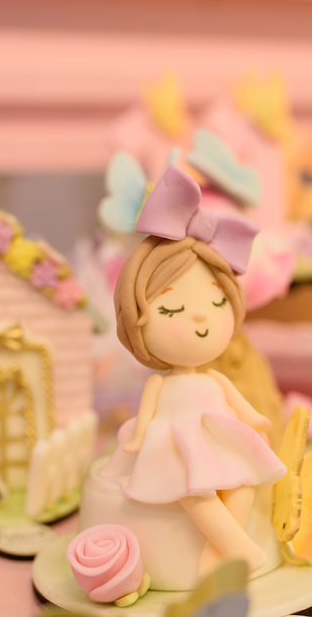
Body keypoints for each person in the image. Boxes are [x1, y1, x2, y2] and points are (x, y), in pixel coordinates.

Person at [106, 165, 287, 574]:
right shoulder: (160, 384)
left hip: (220, 437)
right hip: (174, 446)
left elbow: (239, 404)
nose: (201, 316)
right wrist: (137, 438)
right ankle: (241, 547)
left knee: (244, 483)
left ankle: (218, 559)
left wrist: (256, 420)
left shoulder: (215, 377)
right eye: (172, 308)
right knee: (192, 492)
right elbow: (146, 416)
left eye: (218, 302)